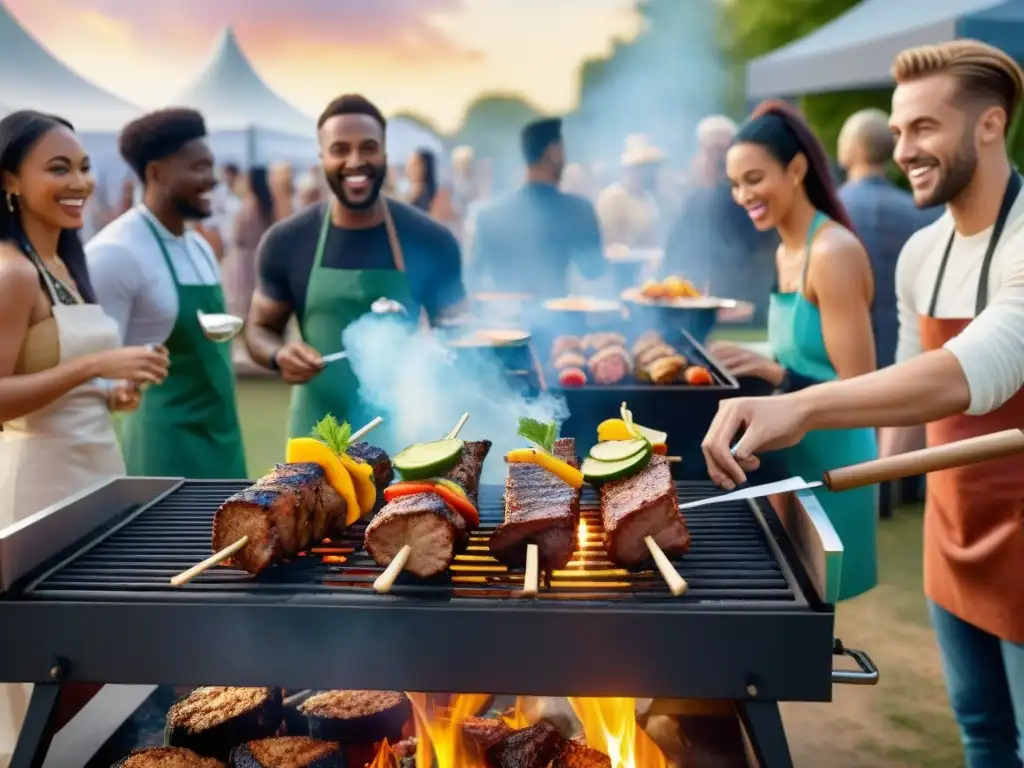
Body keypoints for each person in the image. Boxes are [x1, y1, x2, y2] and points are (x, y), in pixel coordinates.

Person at [701, 41, 1024, 766]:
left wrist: (804, 405)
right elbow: (907, 393)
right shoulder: (921, 252)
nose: (903, 148)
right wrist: (873, 483)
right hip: (952, 525)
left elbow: (977, 369)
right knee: (982, 732)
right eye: (900, 130)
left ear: (990, 126)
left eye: (924, 128)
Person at [0, 110, 168, 766]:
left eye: (84, 167)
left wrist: (111, 392)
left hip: (96, 476)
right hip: (39, 490)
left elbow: (51, 379)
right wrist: (97, 364)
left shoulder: (63, 263)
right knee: (49, 663)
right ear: (9, 180)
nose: (79, 182)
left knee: (99, 659)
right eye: (58, 168)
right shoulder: (12, 273)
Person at [707, 101, 879, 600]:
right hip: (791, 457)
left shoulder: (833, 253)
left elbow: (861, 391)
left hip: (835, 464)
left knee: (816, 618)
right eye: (735, 184)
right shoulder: (786, 250)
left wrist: (771, 372)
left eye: (755, 179)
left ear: (797, 168)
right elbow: (803, 359)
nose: (743, 196)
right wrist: (759, 364)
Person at [245, 94, 466, 446]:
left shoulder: (431, 240)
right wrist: (278, 354)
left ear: (384, 155)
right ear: (322, 159)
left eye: (368, 148)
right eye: (340, 149)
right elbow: (259, 329)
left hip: (406, 434)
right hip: (317, 439)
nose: (355, 161)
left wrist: (441, 356)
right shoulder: (287, 241)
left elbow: (460, 334)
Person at [86, 108, 246, 480]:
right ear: (156, 172)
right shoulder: (116, 252)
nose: (212, 180)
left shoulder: (199, 246)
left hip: (224, 445)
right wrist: (119, 386)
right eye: (199, 168)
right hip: (164, 454)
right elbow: (92, 370)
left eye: (212, 167)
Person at [838, 108, 940, 371]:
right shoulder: (929, 214)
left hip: (839, 370)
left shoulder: (825, 216)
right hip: (913, 362)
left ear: (849, 149)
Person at [470, 118, 606, 297]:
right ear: (553, 152)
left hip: (503, 321)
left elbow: (472, 279)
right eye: (563, 150)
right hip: (561, 321)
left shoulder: (488, 215)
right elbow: (594, 272)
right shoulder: (579, 210)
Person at [664, 115, 774, 323]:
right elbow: (674, 258)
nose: (718, 159)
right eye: (711, 151)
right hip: (706, 311)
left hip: (743, 313)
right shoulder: (695, 200)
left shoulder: (748, 200)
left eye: (722, 150)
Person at [223, 166, 274, 324]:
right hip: (258, 257)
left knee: (240, 305)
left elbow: (235, 235)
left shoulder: (246, 206)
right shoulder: (266, 205)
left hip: (242, 261)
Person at [595, 134, 665, 247]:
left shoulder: (649, 199)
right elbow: (610, 239)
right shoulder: (613, 197)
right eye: (641, 168)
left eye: (649, 168)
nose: (646, 173)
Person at [405, 148, 438, 213]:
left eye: (414, 165)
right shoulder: (405, 194)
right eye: (409, 164)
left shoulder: (433, 198)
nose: (409, 168)